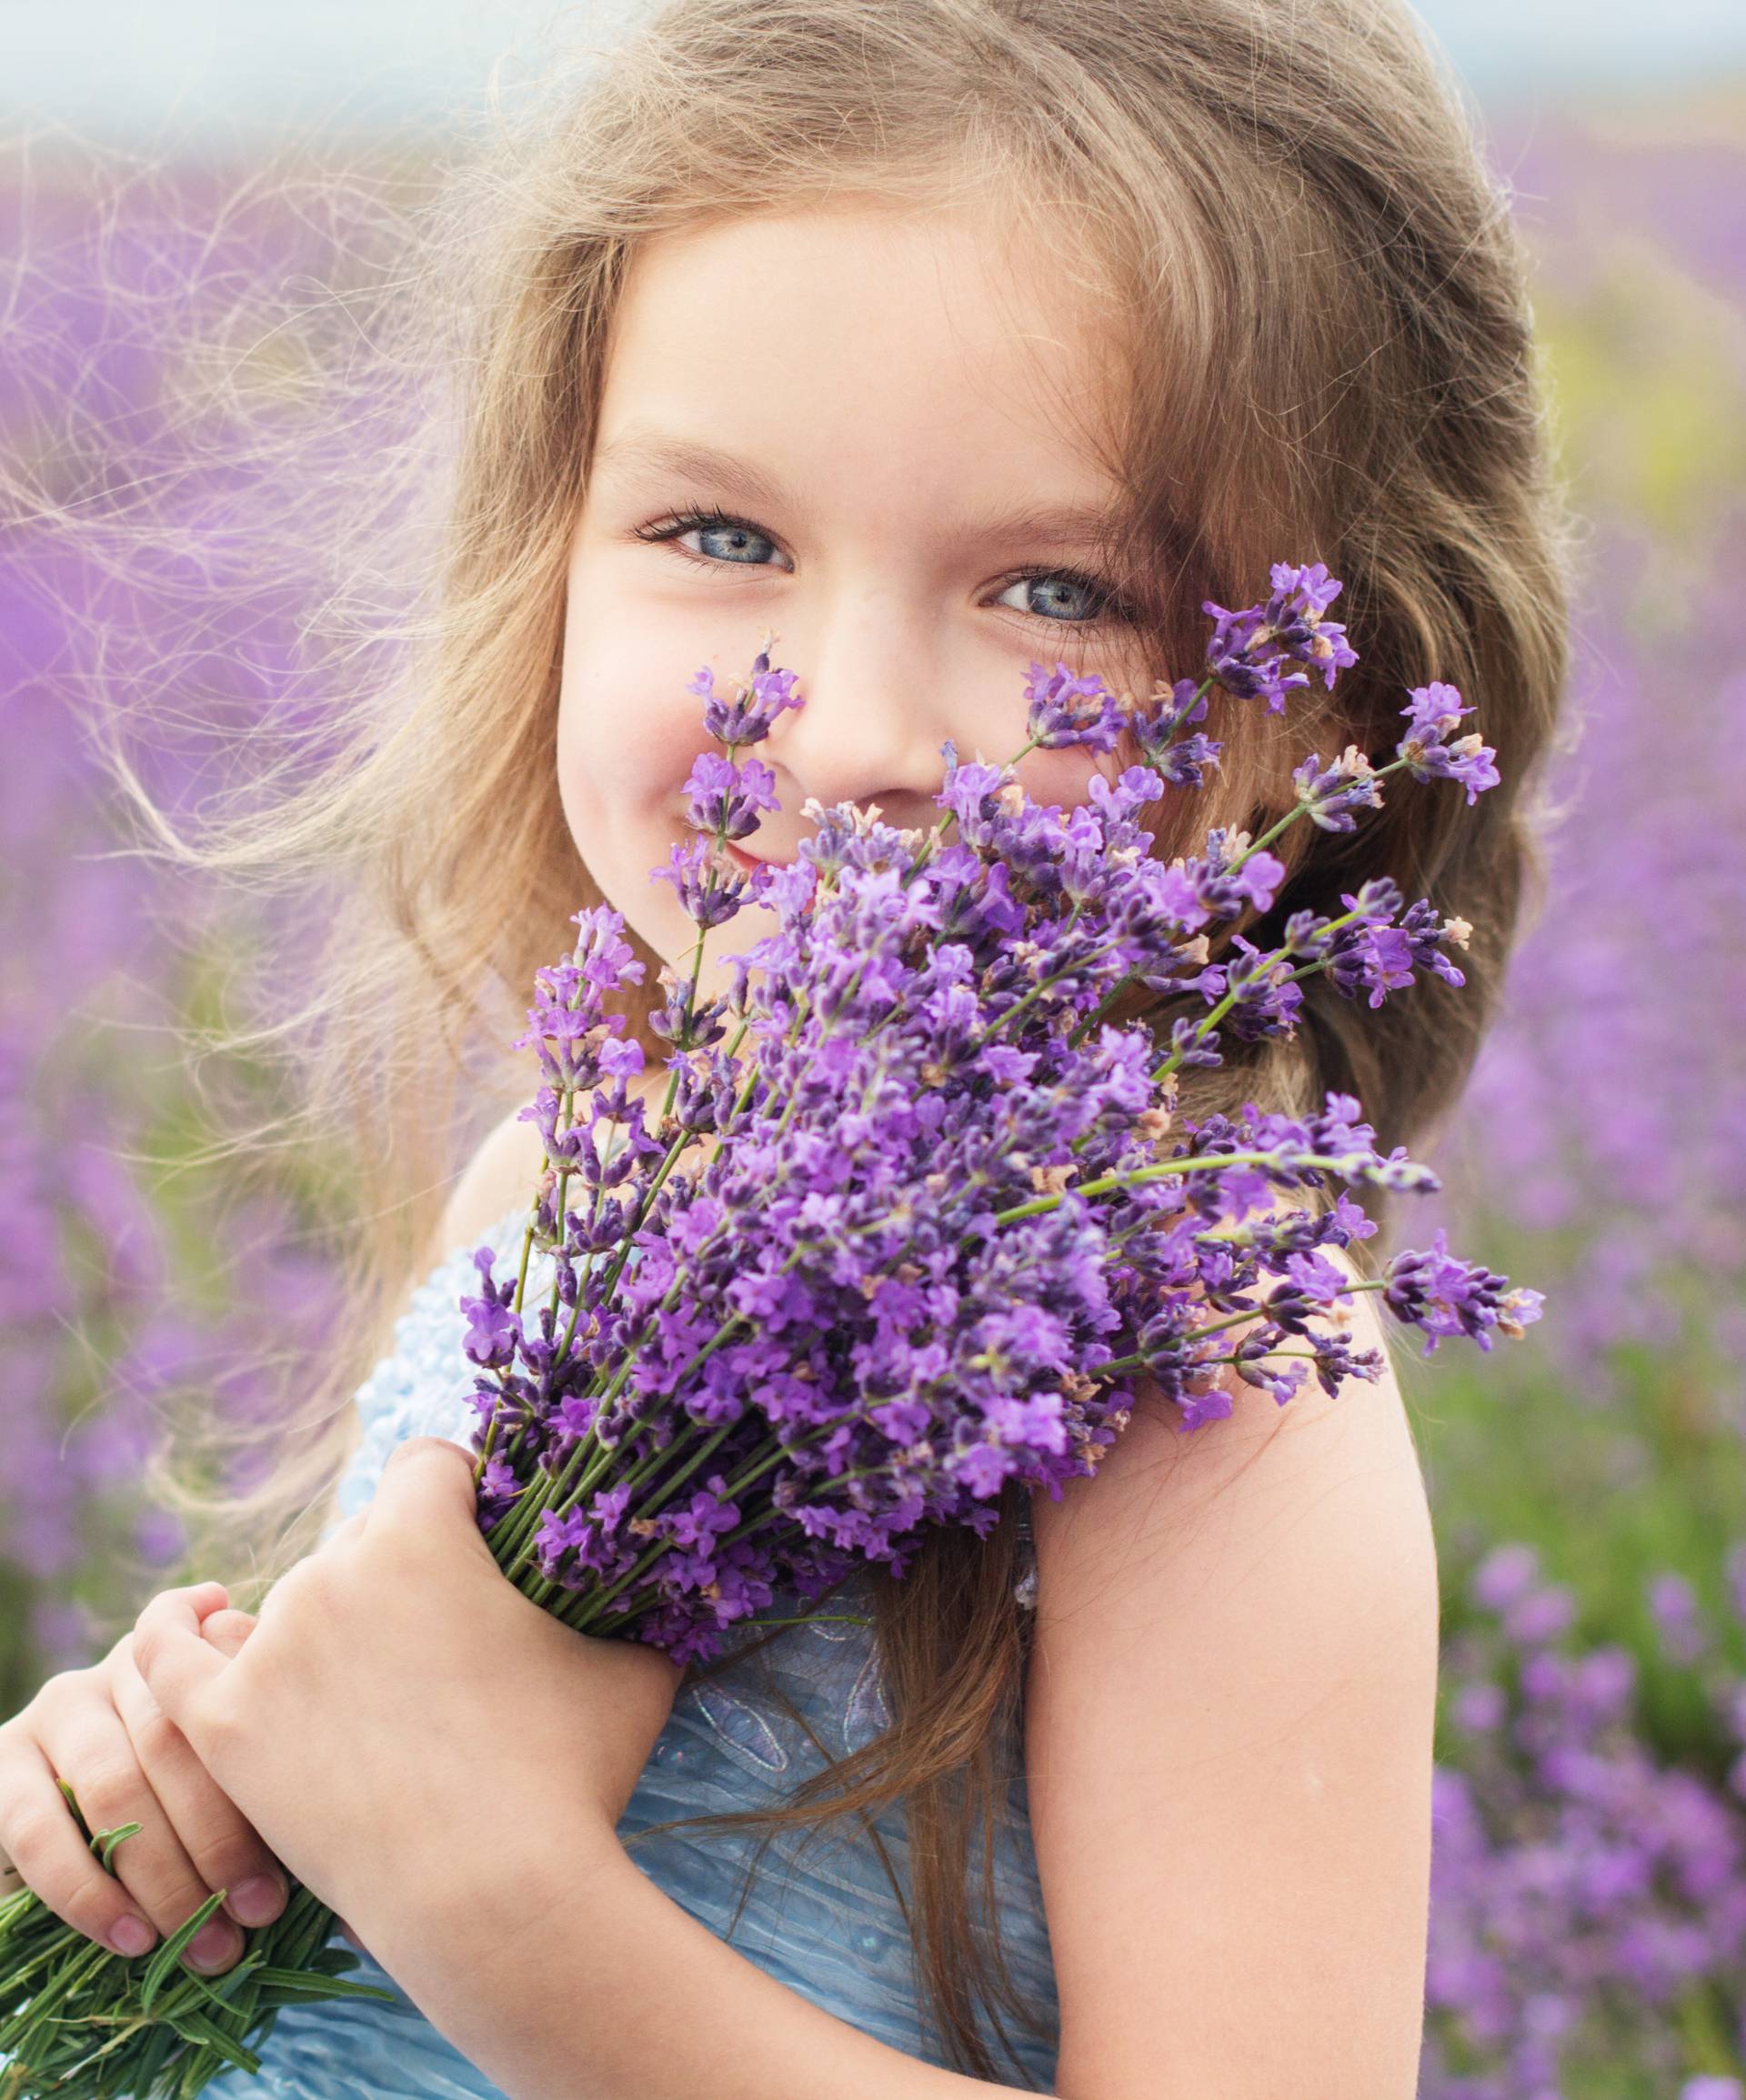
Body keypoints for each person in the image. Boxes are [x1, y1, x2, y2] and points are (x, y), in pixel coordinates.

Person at [0, 0, 1574, 2092]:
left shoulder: (1214, 1394)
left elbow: (454, 1845)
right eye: (722, 538)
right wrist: (169, 1797)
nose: (839, 734)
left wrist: (495, 1899)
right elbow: (369, 1812)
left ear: (1330, 709)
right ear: (549, 546)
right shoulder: (543, 1193)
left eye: (1058, 590)